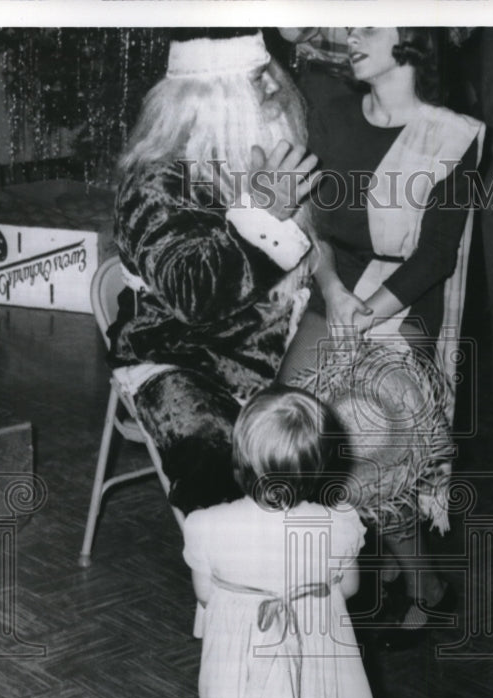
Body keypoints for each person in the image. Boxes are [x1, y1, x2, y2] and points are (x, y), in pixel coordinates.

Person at [279, 26, 485, 641]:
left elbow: (435, 257)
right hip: (331, 279)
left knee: (371, 435)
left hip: (403, 298)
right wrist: (336, 293)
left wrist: (364, 312)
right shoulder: (327, 104)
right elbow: (306, 215)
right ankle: (333, 576)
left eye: (369, 24)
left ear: (413, 39)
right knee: (295, 428)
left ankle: (424, 583)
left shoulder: (454, 133)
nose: (350, 34)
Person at [107, 28, 321, 514]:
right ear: (208, 101)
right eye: (256, 82)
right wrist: (265, 213)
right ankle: (231, 575)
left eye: (271, 77)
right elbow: (192, 297)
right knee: (210, 449)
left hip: (271, 348)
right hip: (182, 356)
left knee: (349, 424)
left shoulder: (253, 160)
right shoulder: (156, 180)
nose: (275, 91)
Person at [182, 386, 378, 698]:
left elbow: (206, 594)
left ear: (240, 460)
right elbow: (350, 587)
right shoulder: (339, 524)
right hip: (311, 661)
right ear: (317, 466)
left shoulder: (207, 525)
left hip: (247, 666)